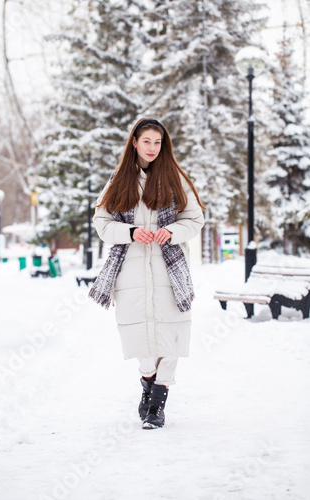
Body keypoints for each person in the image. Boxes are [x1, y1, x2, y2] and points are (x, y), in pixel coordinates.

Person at [89, 118, 205, 429]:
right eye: (147, 141)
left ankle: (157, 403)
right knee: (141, 339)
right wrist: (129, 232)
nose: (152, 148)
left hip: (170, 271)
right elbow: (102, 223)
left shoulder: (174, 178)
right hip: (130, 273)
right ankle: (148, 380)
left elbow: (195, 219)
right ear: (135, 143)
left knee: (171, 335)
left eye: (158, 142)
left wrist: (172, 230)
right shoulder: (119, 181)